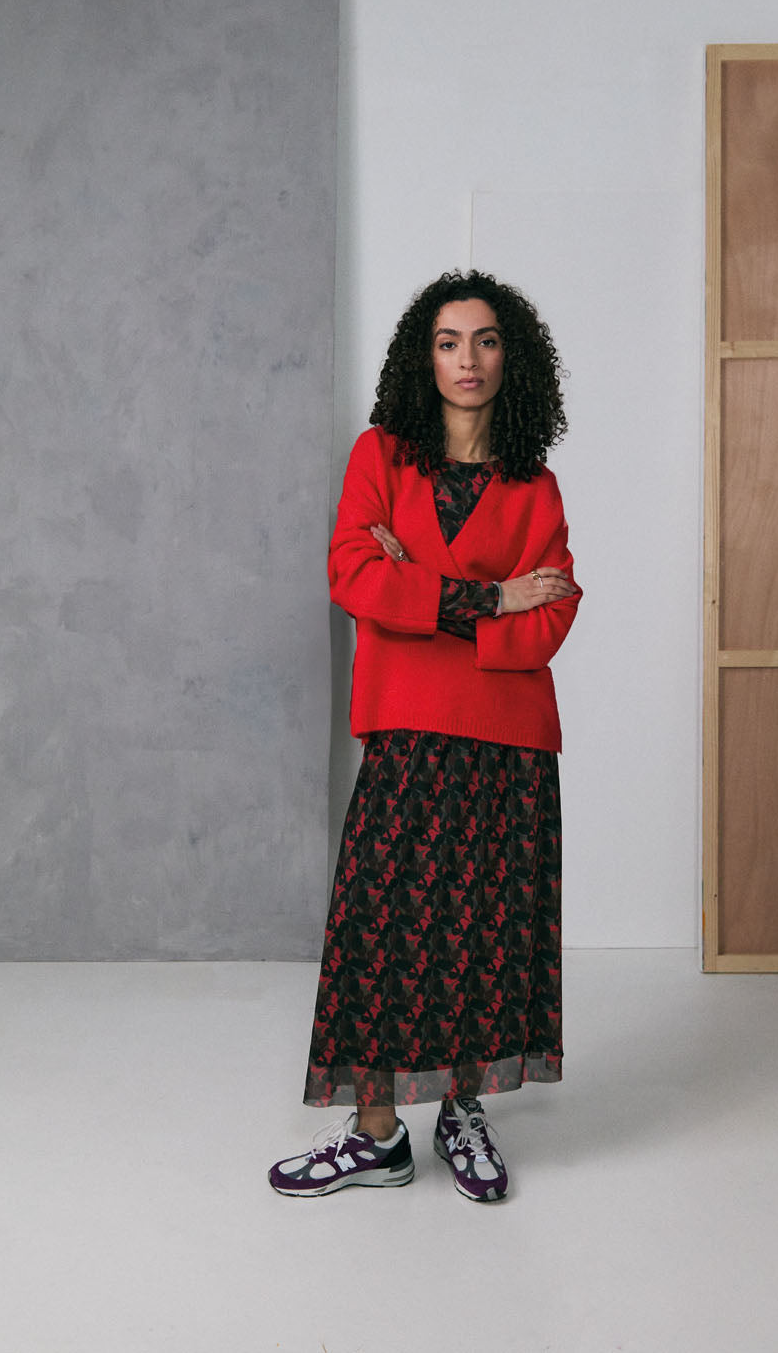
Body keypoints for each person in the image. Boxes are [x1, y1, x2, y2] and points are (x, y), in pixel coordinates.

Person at [268, 269, 580, 1202]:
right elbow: (353, 576)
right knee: (380, 928)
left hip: (509, 740)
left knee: (485, 929)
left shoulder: (536, 486)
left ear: (510, 359)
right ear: (424, 358)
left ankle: (462, 1111)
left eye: (485, 340)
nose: (467, 359)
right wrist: (489, 597)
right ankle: (376, 1137)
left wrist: (423, 597)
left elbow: (550, 620)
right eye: (449, 342)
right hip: (406, 726)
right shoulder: (381, 456)